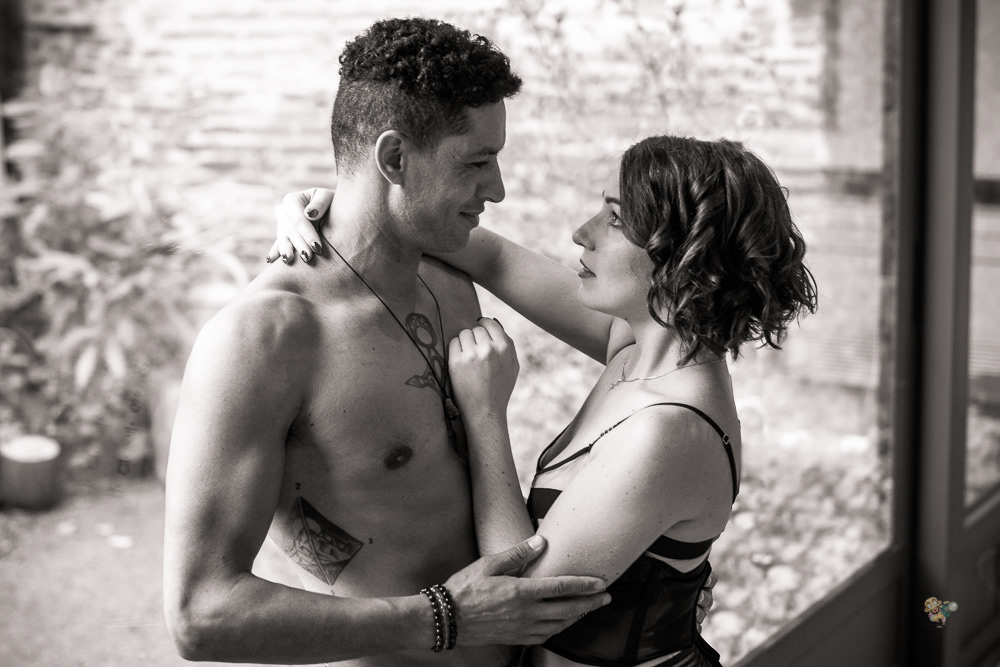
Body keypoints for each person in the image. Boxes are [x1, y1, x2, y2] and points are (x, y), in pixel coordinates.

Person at [162, 18, 617, 667]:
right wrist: (445, 618)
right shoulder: (264, 340)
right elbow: (200, 615)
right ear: (395, 159)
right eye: (477, 162)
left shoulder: (447, 276)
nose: (498, 189)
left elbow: (639, 334)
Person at [271, 134, 818, 666]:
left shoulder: (670, 429)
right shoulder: (633, 347)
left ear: (684, 256)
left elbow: (518, 601)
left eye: (615, 219)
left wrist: (485, 413)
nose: (582, 234)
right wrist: (335, 208)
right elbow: (492, 259)